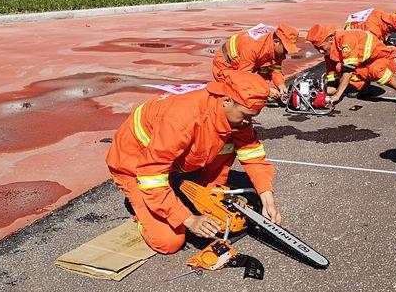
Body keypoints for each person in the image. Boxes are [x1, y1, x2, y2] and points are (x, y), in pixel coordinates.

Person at [106, 71, 281, 254]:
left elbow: (251, 153)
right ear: (227, 100)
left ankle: (199, 191)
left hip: (166, 159)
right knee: (169, 242)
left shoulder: (235, 116)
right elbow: (151, 176)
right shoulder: (181, 119)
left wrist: (267, 197)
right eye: (246, 115)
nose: (248, 121)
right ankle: (142, 211)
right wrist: (189, 220)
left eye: (252, 116)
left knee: (228, 143)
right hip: (134, 164)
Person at [307, 23, 396, 109]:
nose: (320, 51)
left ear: (330, 39)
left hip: (385, 58)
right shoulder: (328, 51)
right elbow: (332, 76)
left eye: (321, 47)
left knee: (375, 71)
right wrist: (320, 91)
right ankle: (364, 88)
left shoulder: (346, 40)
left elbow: (348, 70)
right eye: (317, 48)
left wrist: (337, 95)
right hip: (365, 63)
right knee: (339, 68)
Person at [212, 23, 299, 100]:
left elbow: (275, 69)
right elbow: (244, 76)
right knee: (239, 95)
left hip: (246, 63)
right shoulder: (252, 46)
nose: (287, 52)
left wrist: (281, 85)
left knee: (262, 81)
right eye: (286, 48)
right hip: (225, 67)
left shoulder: (276, 50)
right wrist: (267, 90)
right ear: (276, 42)